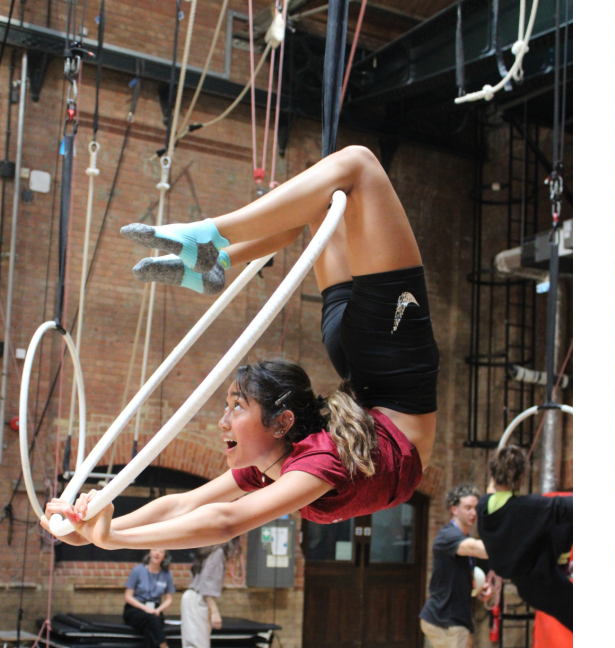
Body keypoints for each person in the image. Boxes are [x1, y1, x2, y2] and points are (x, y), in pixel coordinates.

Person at [40, 145, 438, 550]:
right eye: (234, 406)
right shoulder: (314, 462)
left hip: (366, 363)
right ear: (282, 422)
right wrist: (103, 534)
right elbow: (217, 516)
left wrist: (104, 533)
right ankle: (214, 246)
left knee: (316, 198)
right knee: (357, 165)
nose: (222, 422)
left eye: (234, 406)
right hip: (393, 364)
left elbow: (192, 506)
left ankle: (218, 258)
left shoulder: (284, 459)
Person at [389, 484, 490, 648]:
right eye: (468, 507)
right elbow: (477, 549)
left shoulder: (463, 539)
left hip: (452, 619)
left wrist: (479, 589)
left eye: (476, 508)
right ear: (454, 510)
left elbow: (463, 575)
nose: (473, 513)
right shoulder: (449, 537)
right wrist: (513, 544)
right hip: (445, 621)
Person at [476, 445, 572, 630]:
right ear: (521, 476)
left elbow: (493, 493)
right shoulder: (529, 508)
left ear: (493, 475)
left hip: (528, 588)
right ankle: (563, 562)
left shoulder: (484, 506)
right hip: (546, 584)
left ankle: (562, 562)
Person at [148, 540, 235, 648]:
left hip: (193, 598)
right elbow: (207, 586)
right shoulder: (217, 552)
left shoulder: (209, 548)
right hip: (198, 600)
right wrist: (214, 611)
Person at [123, 549, 175, 648]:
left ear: (164, 556)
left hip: (155, 610)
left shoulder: (167, 574)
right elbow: (128, 596)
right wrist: (145, 608)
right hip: (136, 608)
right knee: (152, 620)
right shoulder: (137, 570)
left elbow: (169, 599)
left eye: (160, 551)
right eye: (155, 550)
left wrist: (158, 610)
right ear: (149, 552)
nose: (157, 553)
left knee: (152, 626)